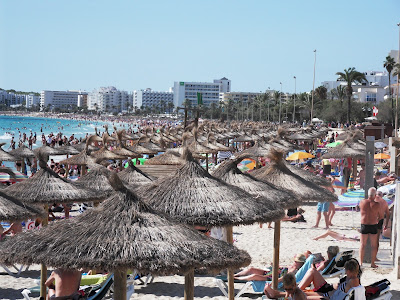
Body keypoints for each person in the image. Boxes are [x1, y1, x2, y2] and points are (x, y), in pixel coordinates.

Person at [283, 258, 361, 299]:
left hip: (329, 296)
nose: (345, 272)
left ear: (349, 270)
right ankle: (287, 291)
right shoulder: (350, 278)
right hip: (330, 291)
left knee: (303, 295)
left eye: (346, 270)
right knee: (303, 292)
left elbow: (343, 293)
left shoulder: (353, 280)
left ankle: (283, 293)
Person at [234, 253, 306, 281]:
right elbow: (281, 268)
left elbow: (282, 278)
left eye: (297, 261)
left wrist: (275, 281)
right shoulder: (292, 266)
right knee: (251, 269)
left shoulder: (294, 271)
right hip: (271, 273)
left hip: (272, 278)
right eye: (295, 261)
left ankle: (237, 278)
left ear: (301, 263)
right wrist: (275, 266)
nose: (295, 262)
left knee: (254, 276)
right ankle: (235, 275)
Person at [359, 187, 380, 268]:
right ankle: (372, 263)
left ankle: (361, 263)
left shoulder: (362, 202)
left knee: (362, 244)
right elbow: (379, 215)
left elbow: (361, 209)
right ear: (375, 195)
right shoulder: (377, 204)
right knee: (373, 245)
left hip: (364, 224)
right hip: (373, 224)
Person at [375, 191, 390, 255]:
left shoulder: (373, 201)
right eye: (377, 194)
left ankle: (374, 256)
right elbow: (388, 214)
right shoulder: (383, 202)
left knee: (375, 240)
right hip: (376, 221)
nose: (378, 196)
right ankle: (374, 256)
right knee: (375, 240)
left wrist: (386, 224)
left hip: (376, 221)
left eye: (379, 194)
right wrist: (386, 224)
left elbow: (387, 214)